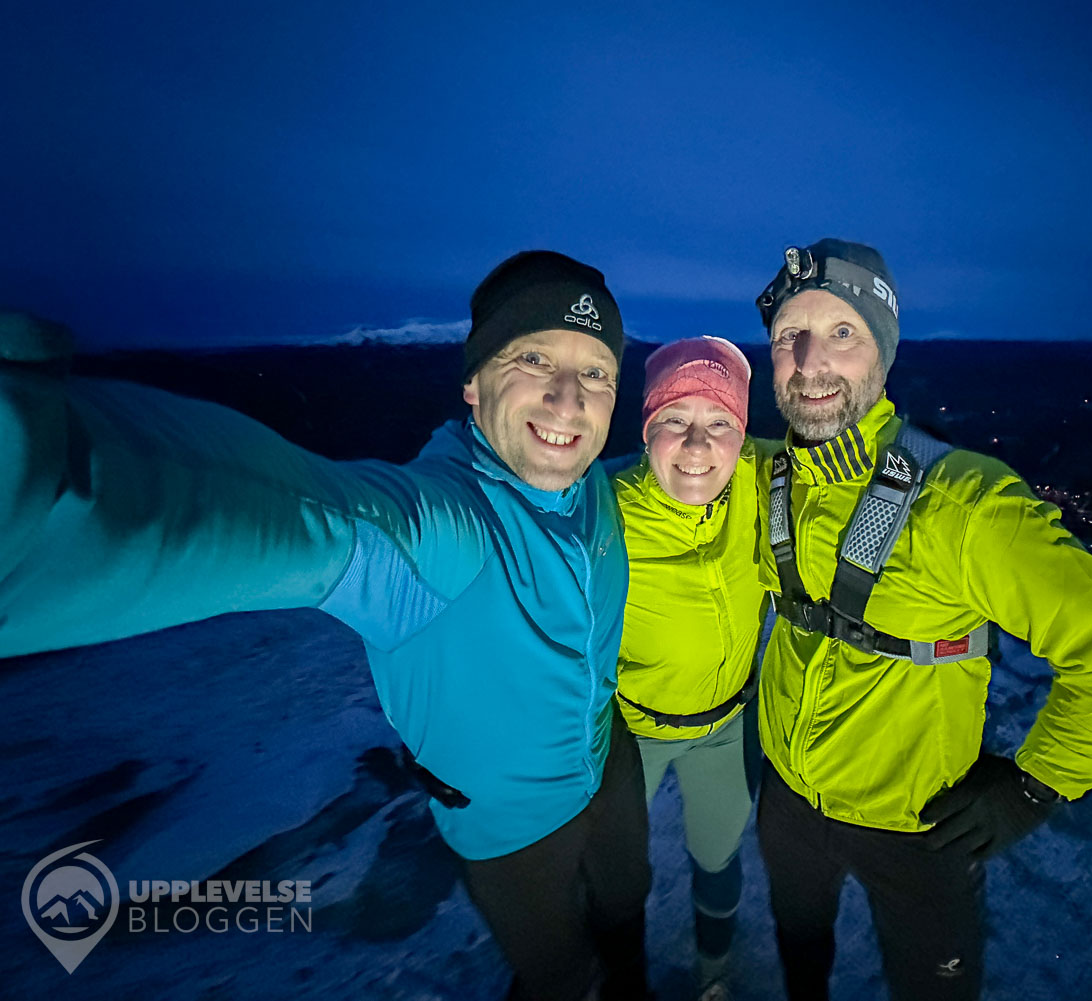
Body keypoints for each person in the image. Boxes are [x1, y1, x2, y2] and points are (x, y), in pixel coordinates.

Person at [0, 251, 651, 1001]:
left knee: (627, 895)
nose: (568, 399)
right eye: (532, 356)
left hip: (609, 761)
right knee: (558, 974)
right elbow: (302, 513)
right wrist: (47, 474)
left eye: (596, 370)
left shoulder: (593, 486)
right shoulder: (445, 528)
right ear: (472, 384)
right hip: (510, 828)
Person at [749, 239, 1092, 1000]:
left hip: (916, 824)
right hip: (786, 795)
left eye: (841, 332)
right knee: (798, 946)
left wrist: (1034, 786)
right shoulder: (761, 476)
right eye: (788, 337)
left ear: (884, 350)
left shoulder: (964, 505)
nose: (809, 360)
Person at [609, 337, 775, 1001]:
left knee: (717, 855)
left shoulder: (764, 484)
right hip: (628, 732)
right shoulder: (604, 510)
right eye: (674, 420)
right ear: (645, 428)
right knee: (612, 870)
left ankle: (713, 974)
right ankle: (612, 979)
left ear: (743, 435)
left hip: (727, 726)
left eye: (720, 424)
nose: (698, 446)